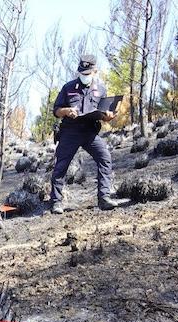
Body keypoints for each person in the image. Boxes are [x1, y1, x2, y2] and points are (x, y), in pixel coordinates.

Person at [51, 54, 123, 214]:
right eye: (82, 74)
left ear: (94, 72)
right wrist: (67, 111)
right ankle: (56, 202)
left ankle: (104, 198)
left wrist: (108, 117)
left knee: (105, 158)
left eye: (87, 74)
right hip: (70, 131)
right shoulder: (68, 87)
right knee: (61, 166)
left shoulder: (101, 89)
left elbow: (104, 114)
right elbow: (56, 110)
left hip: (90, 131)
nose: (85, 77)